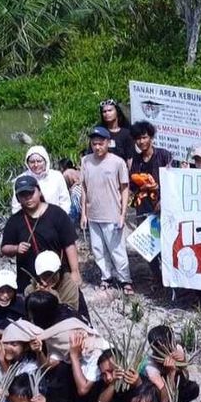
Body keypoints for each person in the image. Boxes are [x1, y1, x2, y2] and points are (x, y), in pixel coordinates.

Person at [1, 176, 79, 294]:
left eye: (31, 193)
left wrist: (75, 272)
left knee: (69, 309)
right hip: (30, 279)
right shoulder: (14, 221)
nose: (28, 198)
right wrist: (16, 248)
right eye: (23, 195)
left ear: (39, 191)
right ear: (18, 198)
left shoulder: (57, 213)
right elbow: (4, 248)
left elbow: (69, 244)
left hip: (59, 275)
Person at [82, 126, 133, 295]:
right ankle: (106, 277)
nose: (97, 147)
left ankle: (125, 279)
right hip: (93, 214)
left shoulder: (118, 162)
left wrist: (122, 214)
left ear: (108, 143)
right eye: (94, 144)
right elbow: (83, 187)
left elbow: (125, 189)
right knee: (98, 249)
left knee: (117, 249)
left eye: (100, 143)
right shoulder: (86, 161)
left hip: (112, 213)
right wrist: (83, 213)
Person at [141, 325, 199, 402]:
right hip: (155, 394)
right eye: (162, 350)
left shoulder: (177, 349)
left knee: (193, 388)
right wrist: (170, 373)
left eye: (171, 346)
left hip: (172, 387)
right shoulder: (150, 367)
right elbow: (164, 400)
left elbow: (186, 377)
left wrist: (182, 363)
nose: (168, 352)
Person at [25, 251, 89, 320]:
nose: (48, 280)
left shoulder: (69, 286)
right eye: (44, 276)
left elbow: (71, 315)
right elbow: (30, 317)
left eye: (51, 275)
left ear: (59, 271)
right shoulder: (30, 290)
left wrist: (54, 298)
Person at [10, 146, 71, 215]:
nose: (36, 165)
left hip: (56, 219)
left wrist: (61, 219)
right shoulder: (21, 179)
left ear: (45, 161)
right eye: (32, 162)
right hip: (31, 222)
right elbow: (16, 207)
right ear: (27, 163)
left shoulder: (57, 176)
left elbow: (65, 201)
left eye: (39, 161)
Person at [130, 120, 173, 216]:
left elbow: (172, 181)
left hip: (163, 206)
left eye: (144, 137)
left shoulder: (164, 155)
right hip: (142, 208)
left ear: (151, 137)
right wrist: (142, 187)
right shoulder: (136, 159)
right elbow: (132, 184)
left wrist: (163, 200)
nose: (141, 141)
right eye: (138, 138)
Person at [89, 98, 135, 163]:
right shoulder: (98, 132)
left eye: (110, 110)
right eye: (104, 111)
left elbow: (130, 158)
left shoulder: (126, 134)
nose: (107, 113)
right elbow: (90, 154)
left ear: (117, 111)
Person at [59, 158, 83, 226]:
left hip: (75, 190)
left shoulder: (65, 173)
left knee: (75, 210)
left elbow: (65, 188)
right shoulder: (77, 170)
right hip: (82, 189)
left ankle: (73, 225)